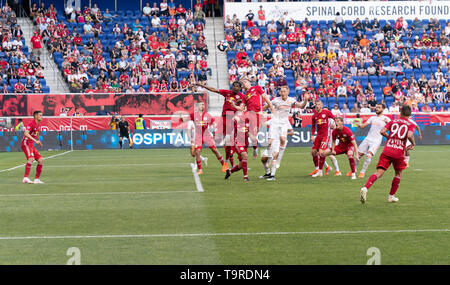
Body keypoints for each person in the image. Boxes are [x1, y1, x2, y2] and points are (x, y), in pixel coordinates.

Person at [360, 105, 416, 204]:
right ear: (410, 114)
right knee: (398, 174)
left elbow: (382, 131)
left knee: (379, 173)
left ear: (401, 112)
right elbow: (409, 135)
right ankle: (391, 197)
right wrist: (413, 143)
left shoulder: (392, 121)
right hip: (398, 152)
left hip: (387, 150)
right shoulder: (411, 124)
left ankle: (365, 188)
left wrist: (389, 137)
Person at [260, 85, 308, 181]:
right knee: (264, 158)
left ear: (288, 91)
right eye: (281, 91)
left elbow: (302, 106)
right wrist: (261, 108)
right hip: (275, 123)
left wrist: (306, 100)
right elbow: (264, 107)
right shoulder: (275, 100)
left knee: (281, 140)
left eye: (284, 91)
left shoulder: (291, 100)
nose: (282, 93)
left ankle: (275, 169)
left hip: (283, 123)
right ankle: (267, 173)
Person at [195, 81, 245, 172]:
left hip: (232, 117)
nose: (234, 87)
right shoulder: (227, 93)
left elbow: (242, 108)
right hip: (224, 117)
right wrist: (203, 85)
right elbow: (214, 90)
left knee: (230, 141)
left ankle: (232, 159)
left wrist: (237, 110)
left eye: (237, 86)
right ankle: (230, 161)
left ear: (240, 88)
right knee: (227, 142)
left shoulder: (241, 97)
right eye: (233, 86)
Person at [186, 101, 226, 175]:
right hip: (198, 136)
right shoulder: (193, 115)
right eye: (201, 105)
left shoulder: (208, 115)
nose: (203, 106)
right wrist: (181, 118)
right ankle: (200, 170)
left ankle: (224, 165)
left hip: (206, 135)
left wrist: (215, 130)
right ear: (198, 107)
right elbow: (186, 119)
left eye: (203, 105)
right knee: (197, 152)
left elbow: (214, 123)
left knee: (215, 150)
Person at [240, 78, 274, 159]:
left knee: (252, 136)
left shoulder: (257, 88)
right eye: (242, 83)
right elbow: (242, 108)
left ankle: (255, 148)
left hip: (257, 115)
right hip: (248, 114)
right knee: (243, 129)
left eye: (245, 81)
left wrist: (272, 109)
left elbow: (265, 97)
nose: (244, 83)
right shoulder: (245, 96)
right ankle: (243, 151)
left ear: (249, 82)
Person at [354, 104, 391, 178]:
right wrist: (358, 124)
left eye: (379, 107)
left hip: (376, 141)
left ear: (383, 109)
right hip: (368, 138)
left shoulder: (386, 119)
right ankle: (353, 170)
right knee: (358, 156)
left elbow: (392, 127)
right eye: (376, 107)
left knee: (368, 155)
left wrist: (388, 126)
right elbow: (362, 126)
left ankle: (362, 172)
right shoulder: (372, 118)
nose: (377, 109)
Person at [310, 100, 335, 177]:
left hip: (326, 135)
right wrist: (312, 135)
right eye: (316, 105)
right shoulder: (314, 116)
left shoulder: (326, 112)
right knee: (313, 152)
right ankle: (317, 169)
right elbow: (313, 126)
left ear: (321, 105)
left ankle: (320, 172)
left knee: (321, 152)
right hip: (318, 136)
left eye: (319, 104)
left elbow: (334, 118)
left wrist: (335, 124)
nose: (317, 106)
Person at [21, 110, 44, 184]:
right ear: (36, 116)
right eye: (40, 115)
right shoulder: (31, 123)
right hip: (26, 143)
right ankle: (25, 178)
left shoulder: (38, 124)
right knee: (31, 158)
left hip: (31, 144)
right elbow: (26, 133)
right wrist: (35, 141)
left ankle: (36, 179)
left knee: (40, 160)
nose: (41, 117)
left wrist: (38, 140)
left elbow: (37, 132)